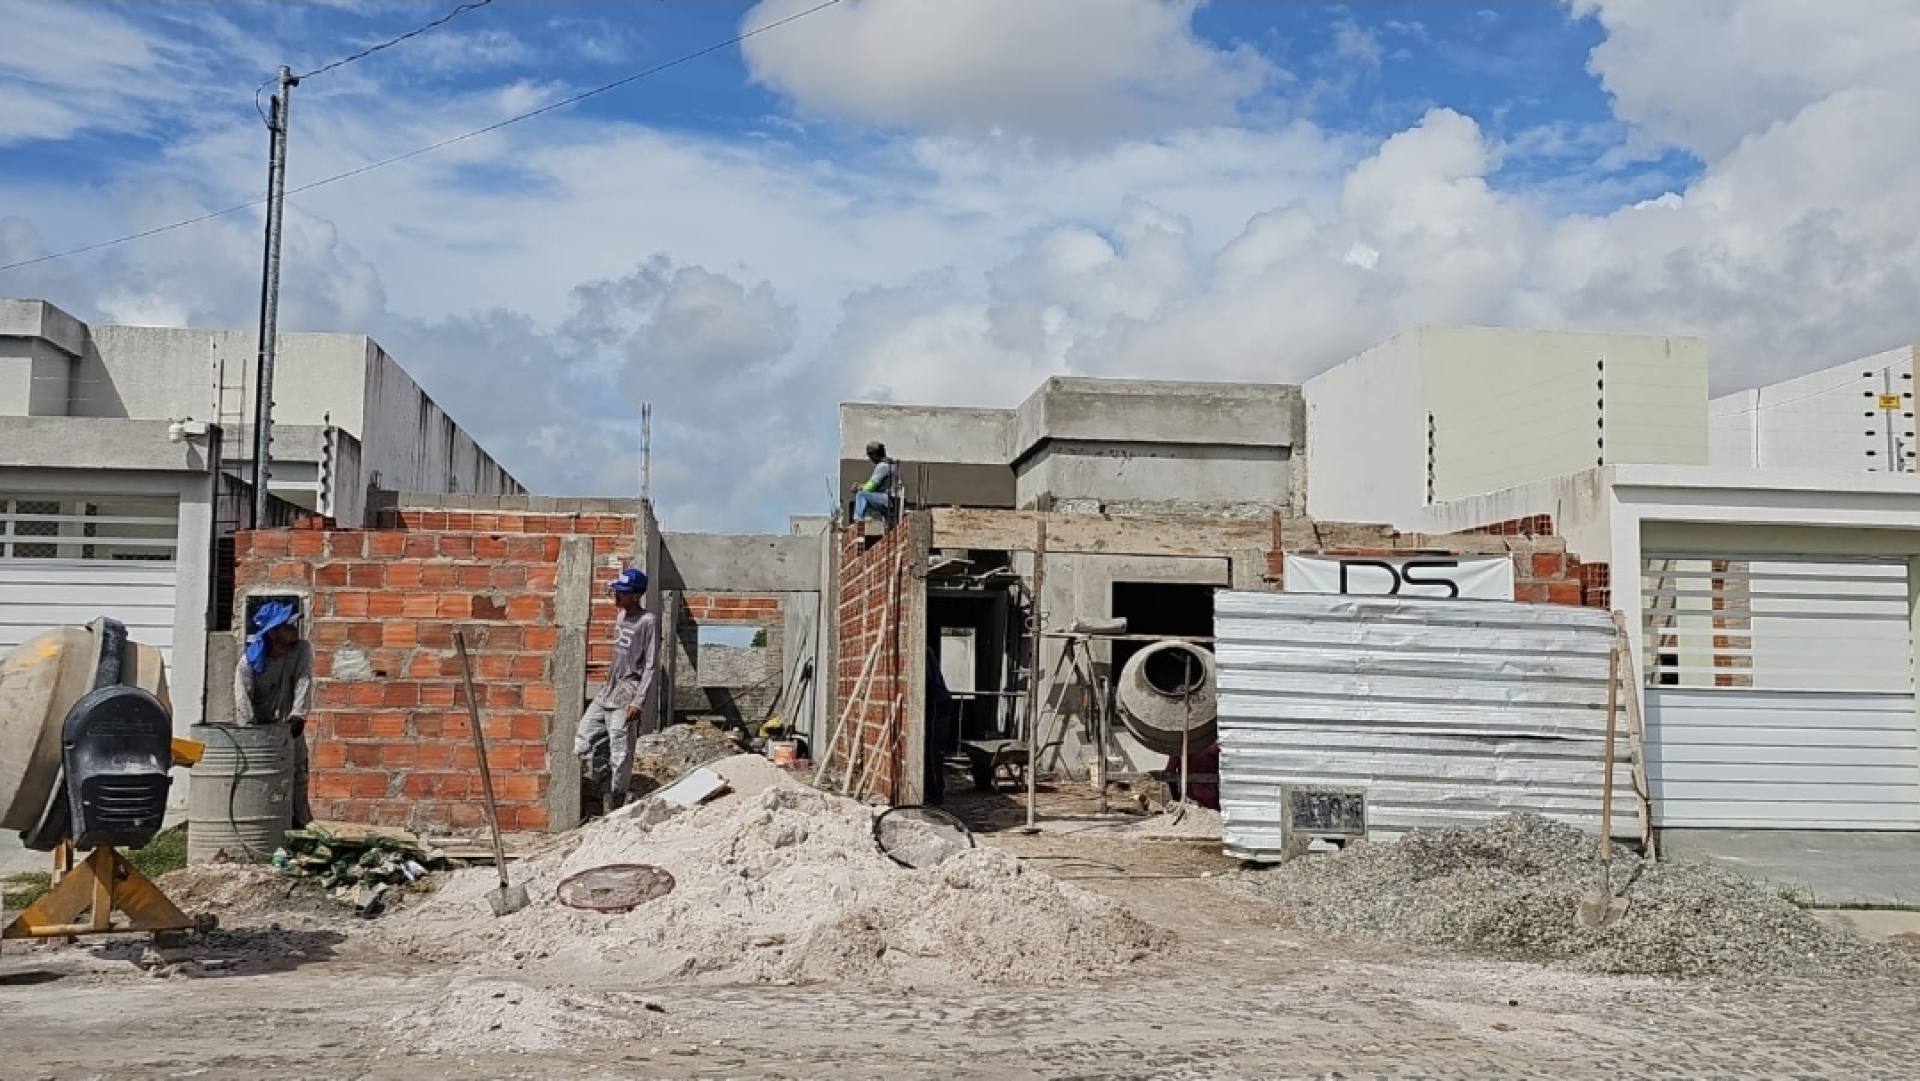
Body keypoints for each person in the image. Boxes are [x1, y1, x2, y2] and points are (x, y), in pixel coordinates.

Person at [574, 567, 659, 811]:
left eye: (621, 593)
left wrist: (638, 701)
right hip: (608, 688)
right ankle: (596, 785)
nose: (616, 597)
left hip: (627, 689)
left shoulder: (647, 622)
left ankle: (616, 801)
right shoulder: (621, 617)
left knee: (620, 750)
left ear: (635, 596)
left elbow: (651, 664)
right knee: (584, 736)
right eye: (616, 592)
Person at [234, 599, 314, 827]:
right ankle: (263, 825)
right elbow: (243, 701)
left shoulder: (300, 650)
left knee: (298, 773)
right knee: (263, 778)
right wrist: (250, 734)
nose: (294, 630)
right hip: (259, 729)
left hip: (289, 725)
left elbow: (303, 680)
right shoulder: (249, 663)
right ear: (272, 633)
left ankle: (300, 824)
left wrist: (298, 715)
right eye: (287, 626)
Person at [924, 647, 955, 806]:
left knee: (932, 752)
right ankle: (932, 791)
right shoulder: (928, 652)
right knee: (931, 753)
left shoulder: (925, 653)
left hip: (937, 705)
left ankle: (935, 793)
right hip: (938, 704)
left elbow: (927, 679)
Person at [851, 440, 896, 522]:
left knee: (861, 495)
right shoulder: (890, 464)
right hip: (892, 500)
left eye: (870, 455)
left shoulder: (883, 466)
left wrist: (859, 487)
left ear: (874, 454)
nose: (870, 459)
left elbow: (870, 487)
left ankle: (858, 520)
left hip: (888, 500)